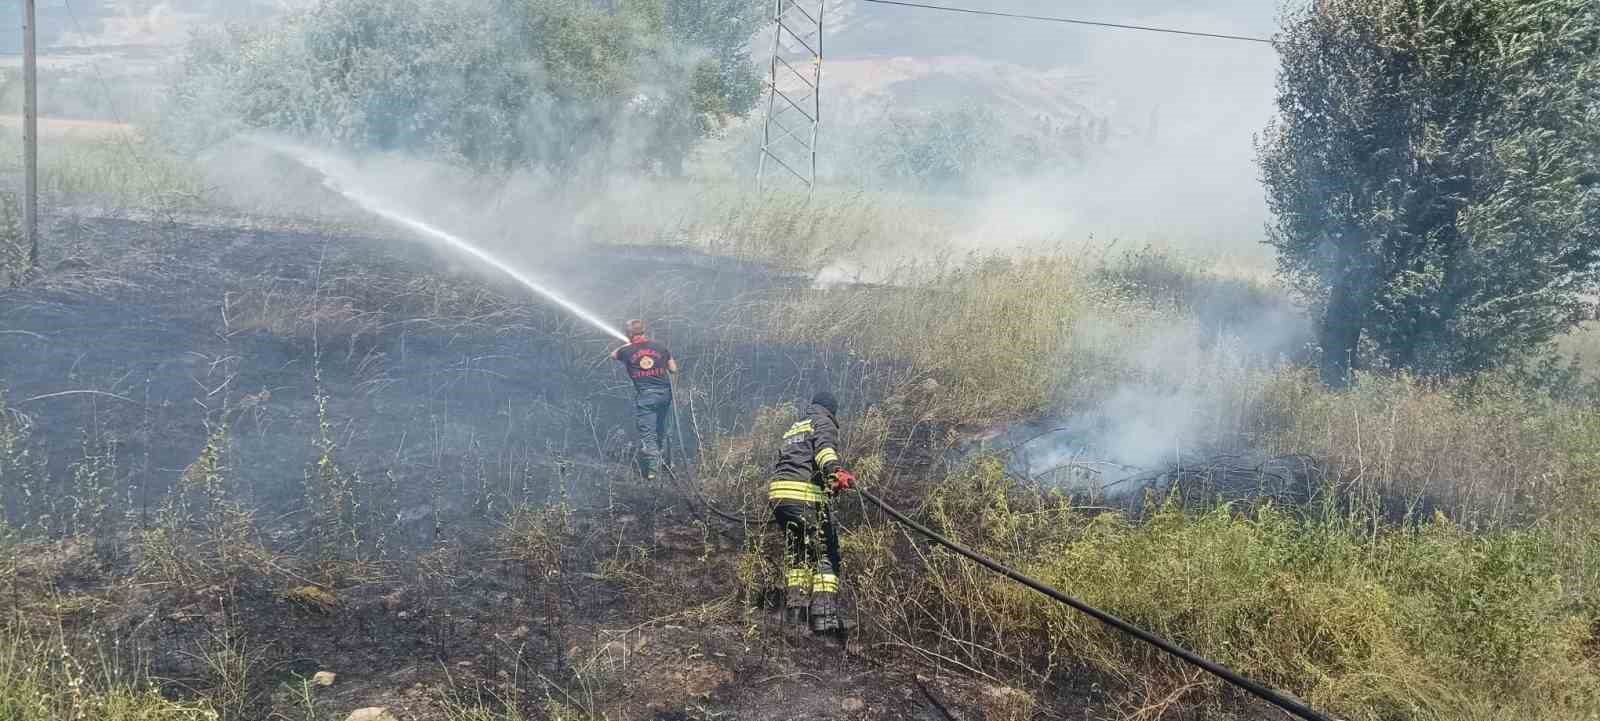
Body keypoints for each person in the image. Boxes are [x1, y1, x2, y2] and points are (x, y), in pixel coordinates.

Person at [767, 391, 856, 634]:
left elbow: (792, 461)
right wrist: (835, 471)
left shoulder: (795, 427)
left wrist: (828, 484)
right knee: (826, 552)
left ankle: (795, 612)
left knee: (797, 551)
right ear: (831, 410)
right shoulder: (823, 421)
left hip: (779, 497)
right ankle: (824, 617)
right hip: (802, 495)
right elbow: (824, 451)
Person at [611, 319, 678, 481]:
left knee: (648, 433)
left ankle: (653, 471)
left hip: (647, 397)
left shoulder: (626, 351)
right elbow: (674, 369)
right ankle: (667, 462)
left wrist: (627, 344)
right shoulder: (660, 347)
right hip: (665, 395)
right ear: (643, 331)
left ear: (629, 334)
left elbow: (613, 355)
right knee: (661, 427)